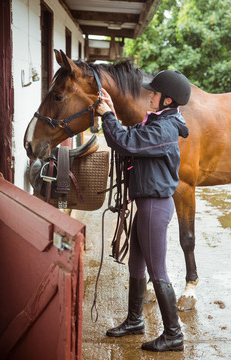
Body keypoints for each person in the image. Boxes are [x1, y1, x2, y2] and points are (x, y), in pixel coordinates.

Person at [96, 70, 191, 353]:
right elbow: (130, 136)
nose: (149, 95)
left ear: (168, 100)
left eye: (154, 93)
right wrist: (112, 111)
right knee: (137, 264)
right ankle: (135, 320)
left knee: (157, 270)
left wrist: (106, 116)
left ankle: (173, 335)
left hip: (154, 205)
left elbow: (125, 142)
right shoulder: (159, 122)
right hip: (146, 204)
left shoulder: (163, 128)